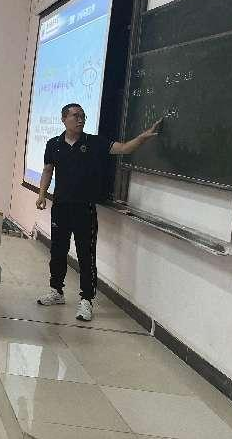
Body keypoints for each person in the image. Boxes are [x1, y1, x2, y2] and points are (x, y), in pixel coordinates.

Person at [35, 103, 161, 322]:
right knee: (57, 251)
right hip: (61, 207)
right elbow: (48, 170)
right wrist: (41, 194)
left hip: (85, 209)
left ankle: (86, 300)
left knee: (86, 255)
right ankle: (56, 291)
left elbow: (124, 149)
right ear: (64, 119)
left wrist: (142, 137)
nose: (80, 119)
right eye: (76, 115)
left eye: (83, 116)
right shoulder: (53, 144)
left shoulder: (94, 142)